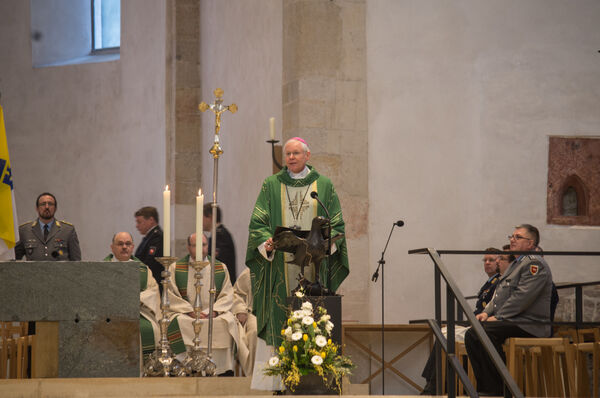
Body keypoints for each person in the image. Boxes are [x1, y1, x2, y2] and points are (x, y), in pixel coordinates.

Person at [246, 137, 349, 389]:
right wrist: (265, 242)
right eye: (288, 154)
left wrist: (329, 242)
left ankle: (315, 380)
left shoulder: (323, 185)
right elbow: (258, 223)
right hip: (279, 266)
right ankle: (277, 385)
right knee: (280, 316)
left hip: (314, 265)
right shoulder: (271, 185)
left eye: (296, 153)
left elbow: (336, 222)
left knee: (316, 315)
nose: (291, 157)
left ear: (307, 155)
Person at [464, 224, 554, 396]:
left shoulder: (534, 264)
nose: (512, 240)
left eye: (518, 237)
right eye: (511, 236)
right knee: (473, 333)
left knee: (483, 332)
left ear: (530, 243)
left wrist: (498, 317)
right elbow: (500, 294)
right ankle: (487, 388)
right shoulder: (516, 264)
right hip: (514, 321)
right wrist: (486, 313)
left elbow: (522, 297)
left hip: (529, 323)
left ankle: (498, 389)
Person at [103, 232, 194, 367]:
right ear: (112, 247)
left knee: (151, 330)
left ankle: (143, 373)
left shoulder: (143, 270)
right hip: (109, 315)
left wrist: (134, 300)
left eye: (127, 244)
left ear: (133, 247)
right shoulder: (102, 269)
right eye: (120, 244)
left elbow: (152, 292)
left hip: (139, 312)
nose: (124, 247)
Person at [421, 248, 501, 395]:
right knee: (442, 332)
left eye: (492, 260)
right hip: (477, 323)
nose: (487, 263)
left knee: (445, 335)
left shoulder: (499, 282)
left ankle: (434, 386)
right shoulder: (490, 283)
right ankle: (433, 382)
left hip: (486, 326)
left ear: (500, 262)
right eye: (485, 260)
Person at [167, 233, 240, 376]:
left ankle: (221, 369)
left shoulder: (220, 268)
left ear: (209, 246)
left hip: (212, 315)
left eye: (204, 245)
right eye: (195, 245)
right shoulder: (175, 268)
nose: (200, 249)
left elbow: (227, 294)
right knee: (179, 322)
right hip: (186, 315)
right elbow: (171, 294)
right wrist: (189, 311)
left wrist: (214, 311)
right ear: (188, 247)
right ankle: (184, 367)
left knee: (226, 322)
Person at [14, 192, 81, 261]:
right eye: (43, 204)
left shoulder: (68, 230)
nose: (47, 207)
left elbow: (76, 263)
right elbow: (14, 259)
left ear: (55, 208)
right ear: (37, 208)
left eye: (50, 204)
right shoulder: (25, 230)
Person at [232, 267, 257, 376]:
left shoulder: (283, 270)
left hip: (280, 314)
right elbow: (236, 293)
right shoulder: (251, 270)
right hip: (256, 313)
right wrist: (240, 309)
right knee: (255, 332)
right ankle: (253, 375)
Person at [203, 203, 237, 285]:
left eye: (202, 217)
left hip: (222, 287)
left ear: (210, 217)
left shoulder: (220, 236)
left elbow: (218, 264)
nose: (201, 221)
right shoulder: (217, 234)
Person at [134, 206, 163, 284]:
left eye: (139, 222)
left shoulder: (157, 237)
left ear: (151, 220)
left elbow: (150, 262)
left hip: (152, 283)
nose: (137, 225)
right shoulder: (150, 236)